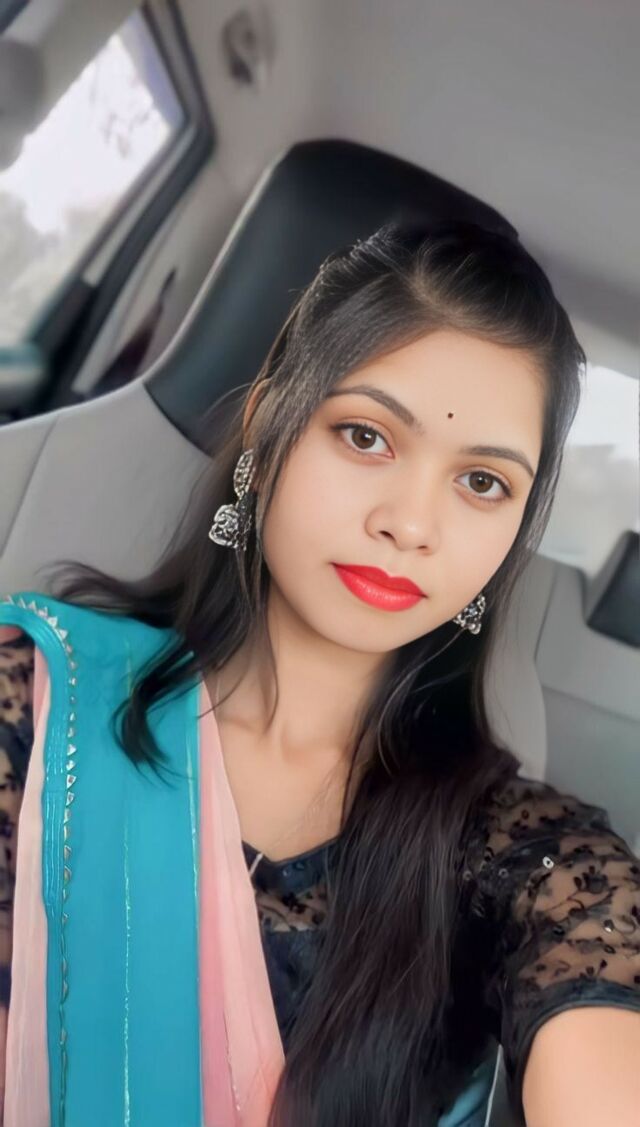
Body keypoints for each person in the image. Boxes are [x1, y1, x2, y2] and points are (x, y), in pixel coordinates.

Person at [0, 219, 638, 1127]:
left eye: (482, 483)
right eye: (366, 436)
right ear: (268, 426)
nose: (410, 523)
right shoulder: (36, 700)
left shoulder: (524, 855)